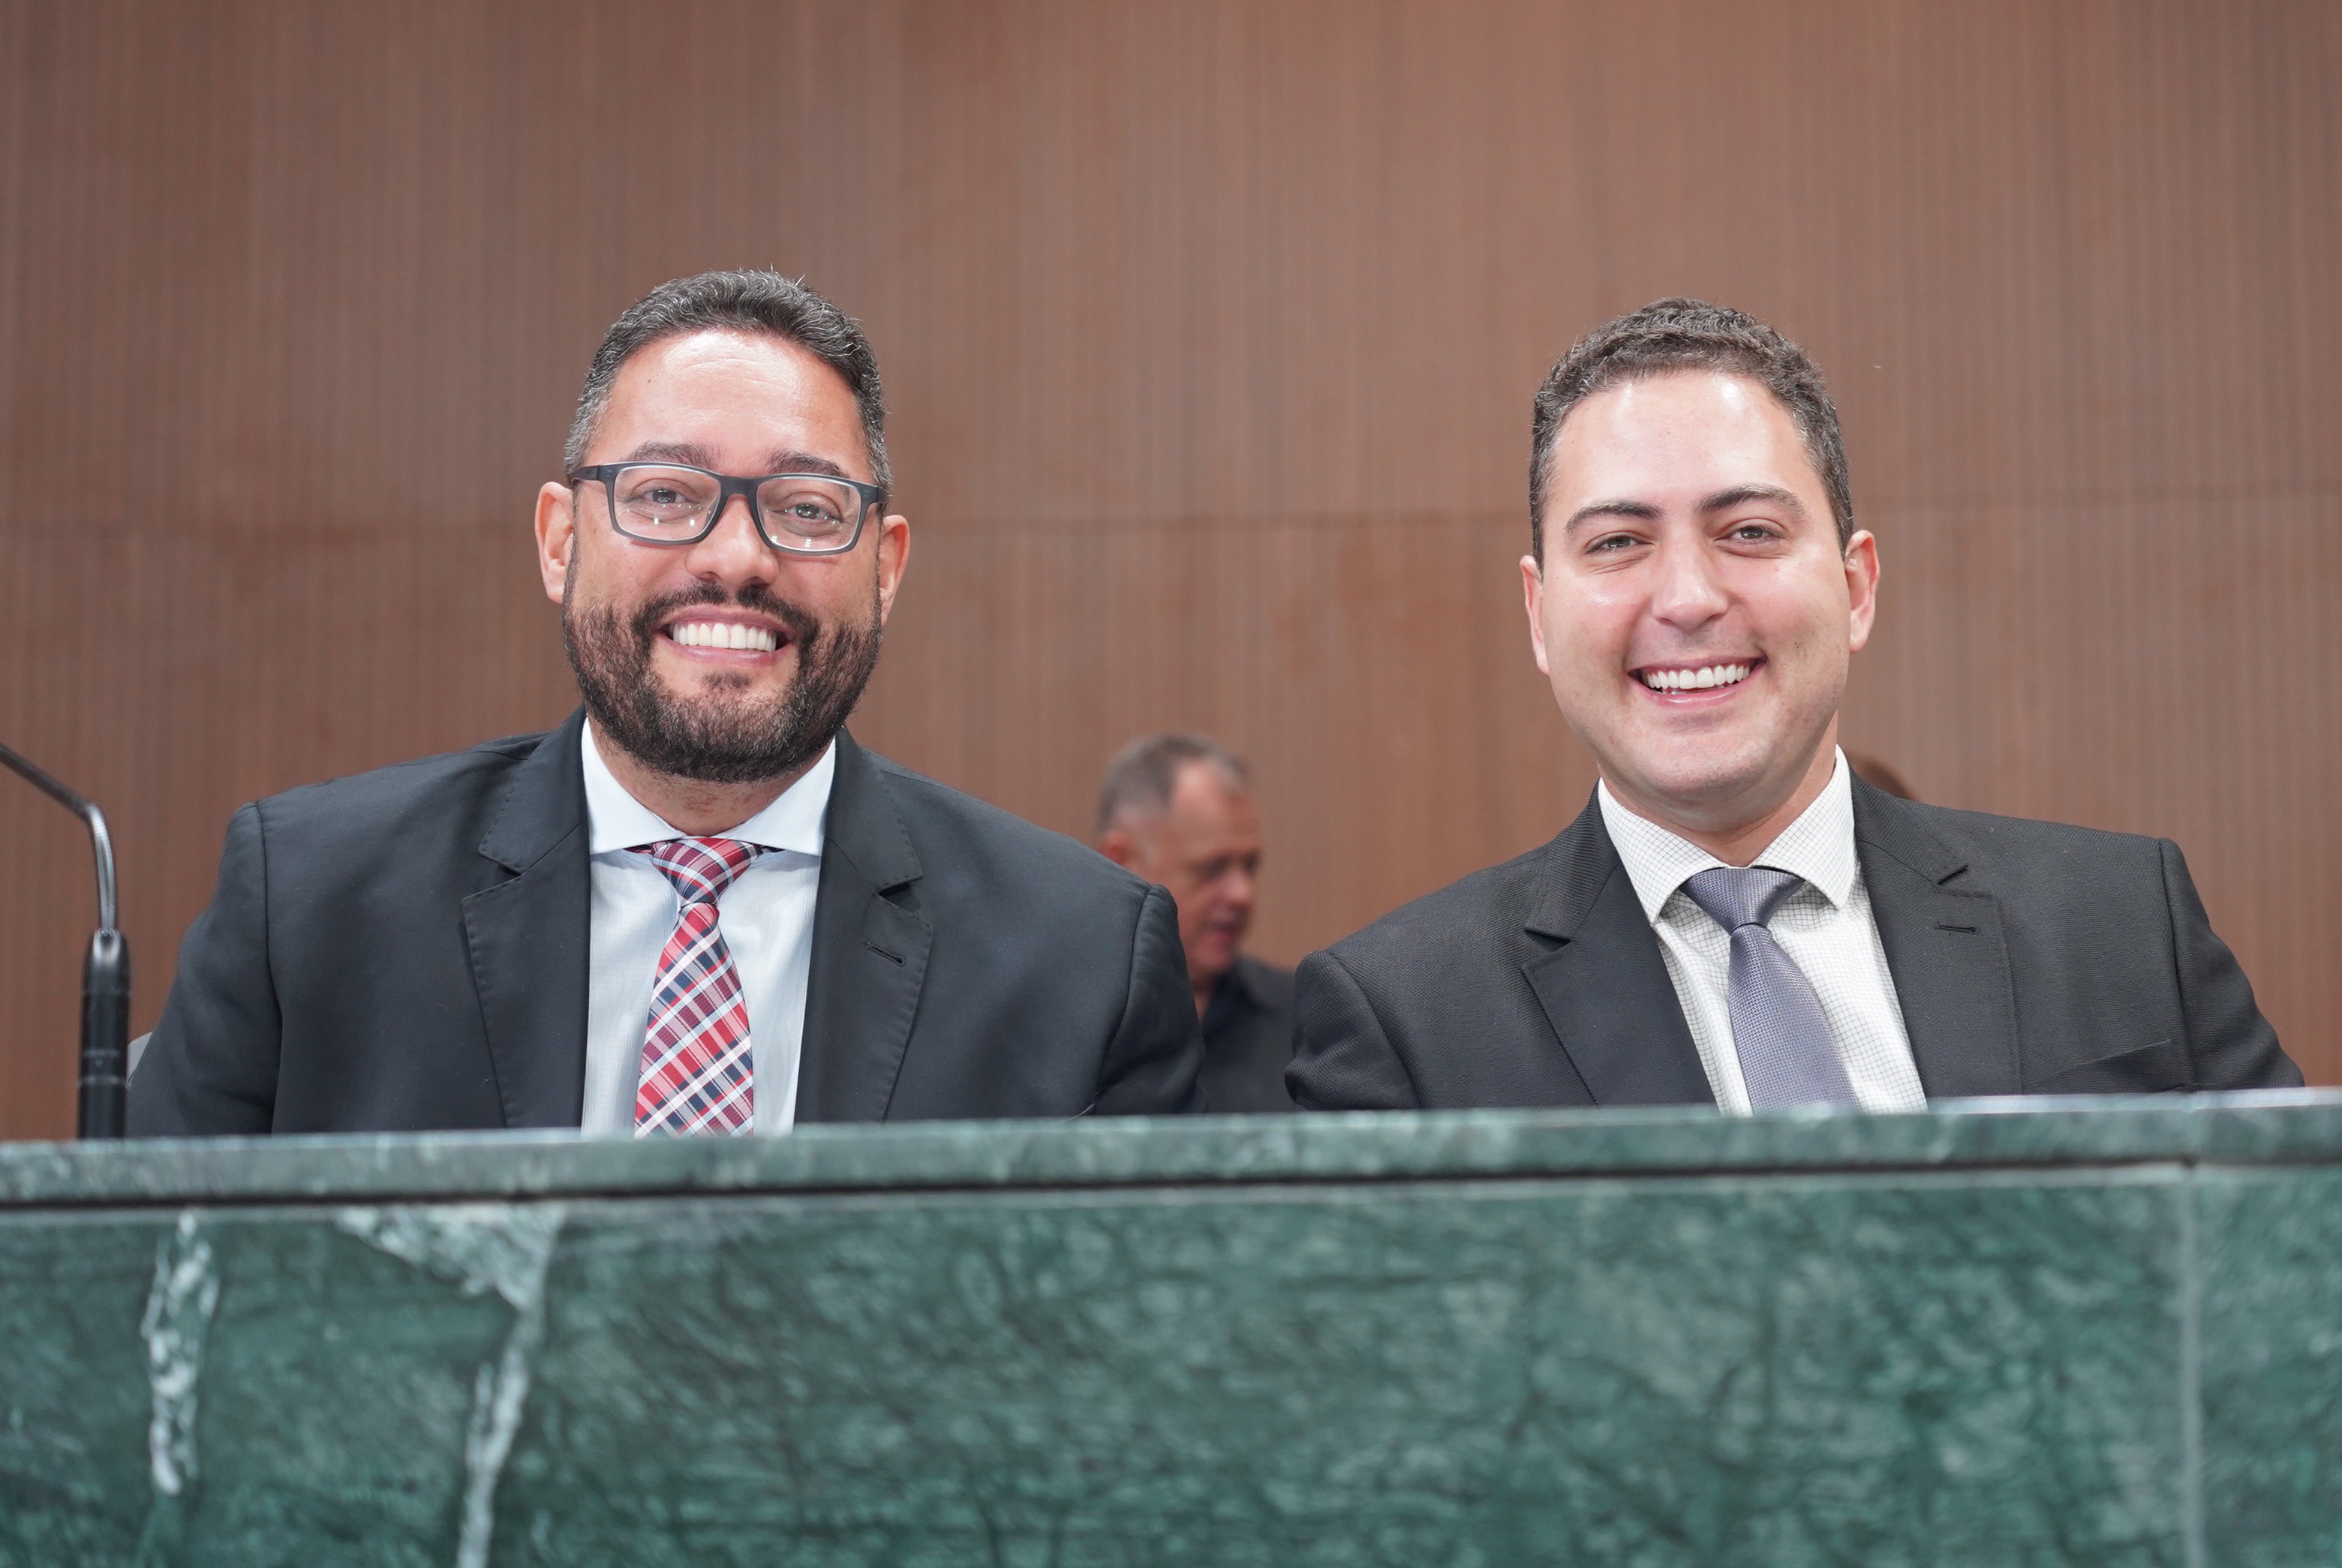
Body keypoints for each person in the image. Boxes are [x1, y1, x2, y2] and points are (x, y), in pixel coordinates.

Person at [132, 271, 1202, 1136]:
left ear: (885, 567)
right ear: (560, 540)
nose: (735, 556)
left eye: (806, 507)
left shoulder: (1083, 960)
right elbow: (138, 1302)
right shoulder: (308, 906)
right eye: (663, 494)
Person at [1289, 298, 2299, 1112]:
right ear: (1539, 612)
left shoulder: (2120, 922)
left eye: (1749, 531)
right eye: (1617, 543)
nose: (1688, 597)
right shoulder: (1405, 1020)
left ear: (1856, 587)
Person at [1097, 734, 1294, 1112]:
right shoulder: (1058, 1025)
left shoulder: (1303, 1020)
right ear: (1121, 863)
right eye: (1212, 868)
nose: (1242, 894)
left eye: (1249, 866)